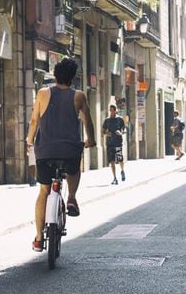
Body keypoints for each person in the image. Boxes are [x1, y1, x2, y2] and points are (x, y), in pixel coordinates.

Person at [26, 58, 96, 252]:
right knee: (74, 169)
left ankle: (39, 238)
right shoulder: (79, 96)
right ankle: (72, 197)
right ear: (73, 78)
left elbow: (34, 121)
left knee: (43, 191)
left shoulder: (42, 93)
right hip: (69, 149)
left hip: (45, 151)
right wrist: (91, 140)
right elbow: (88, 122)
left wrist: (29, 141)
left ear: (55, 74)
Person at [103, 104, 126, 184]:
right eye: (110, 110)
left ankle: (122, 171)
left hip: (118, 143)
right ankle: (115, 178)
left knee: (120, 159)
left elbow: (124, 129)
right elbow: (103, 131)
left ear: (115, 111)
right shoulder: (107, 120)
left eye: (113, 110)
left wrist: (120, 132)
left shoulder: (120, 119)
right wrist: (106, 133)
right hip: (109, 144)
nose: (112, 112)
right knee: (112, 161)